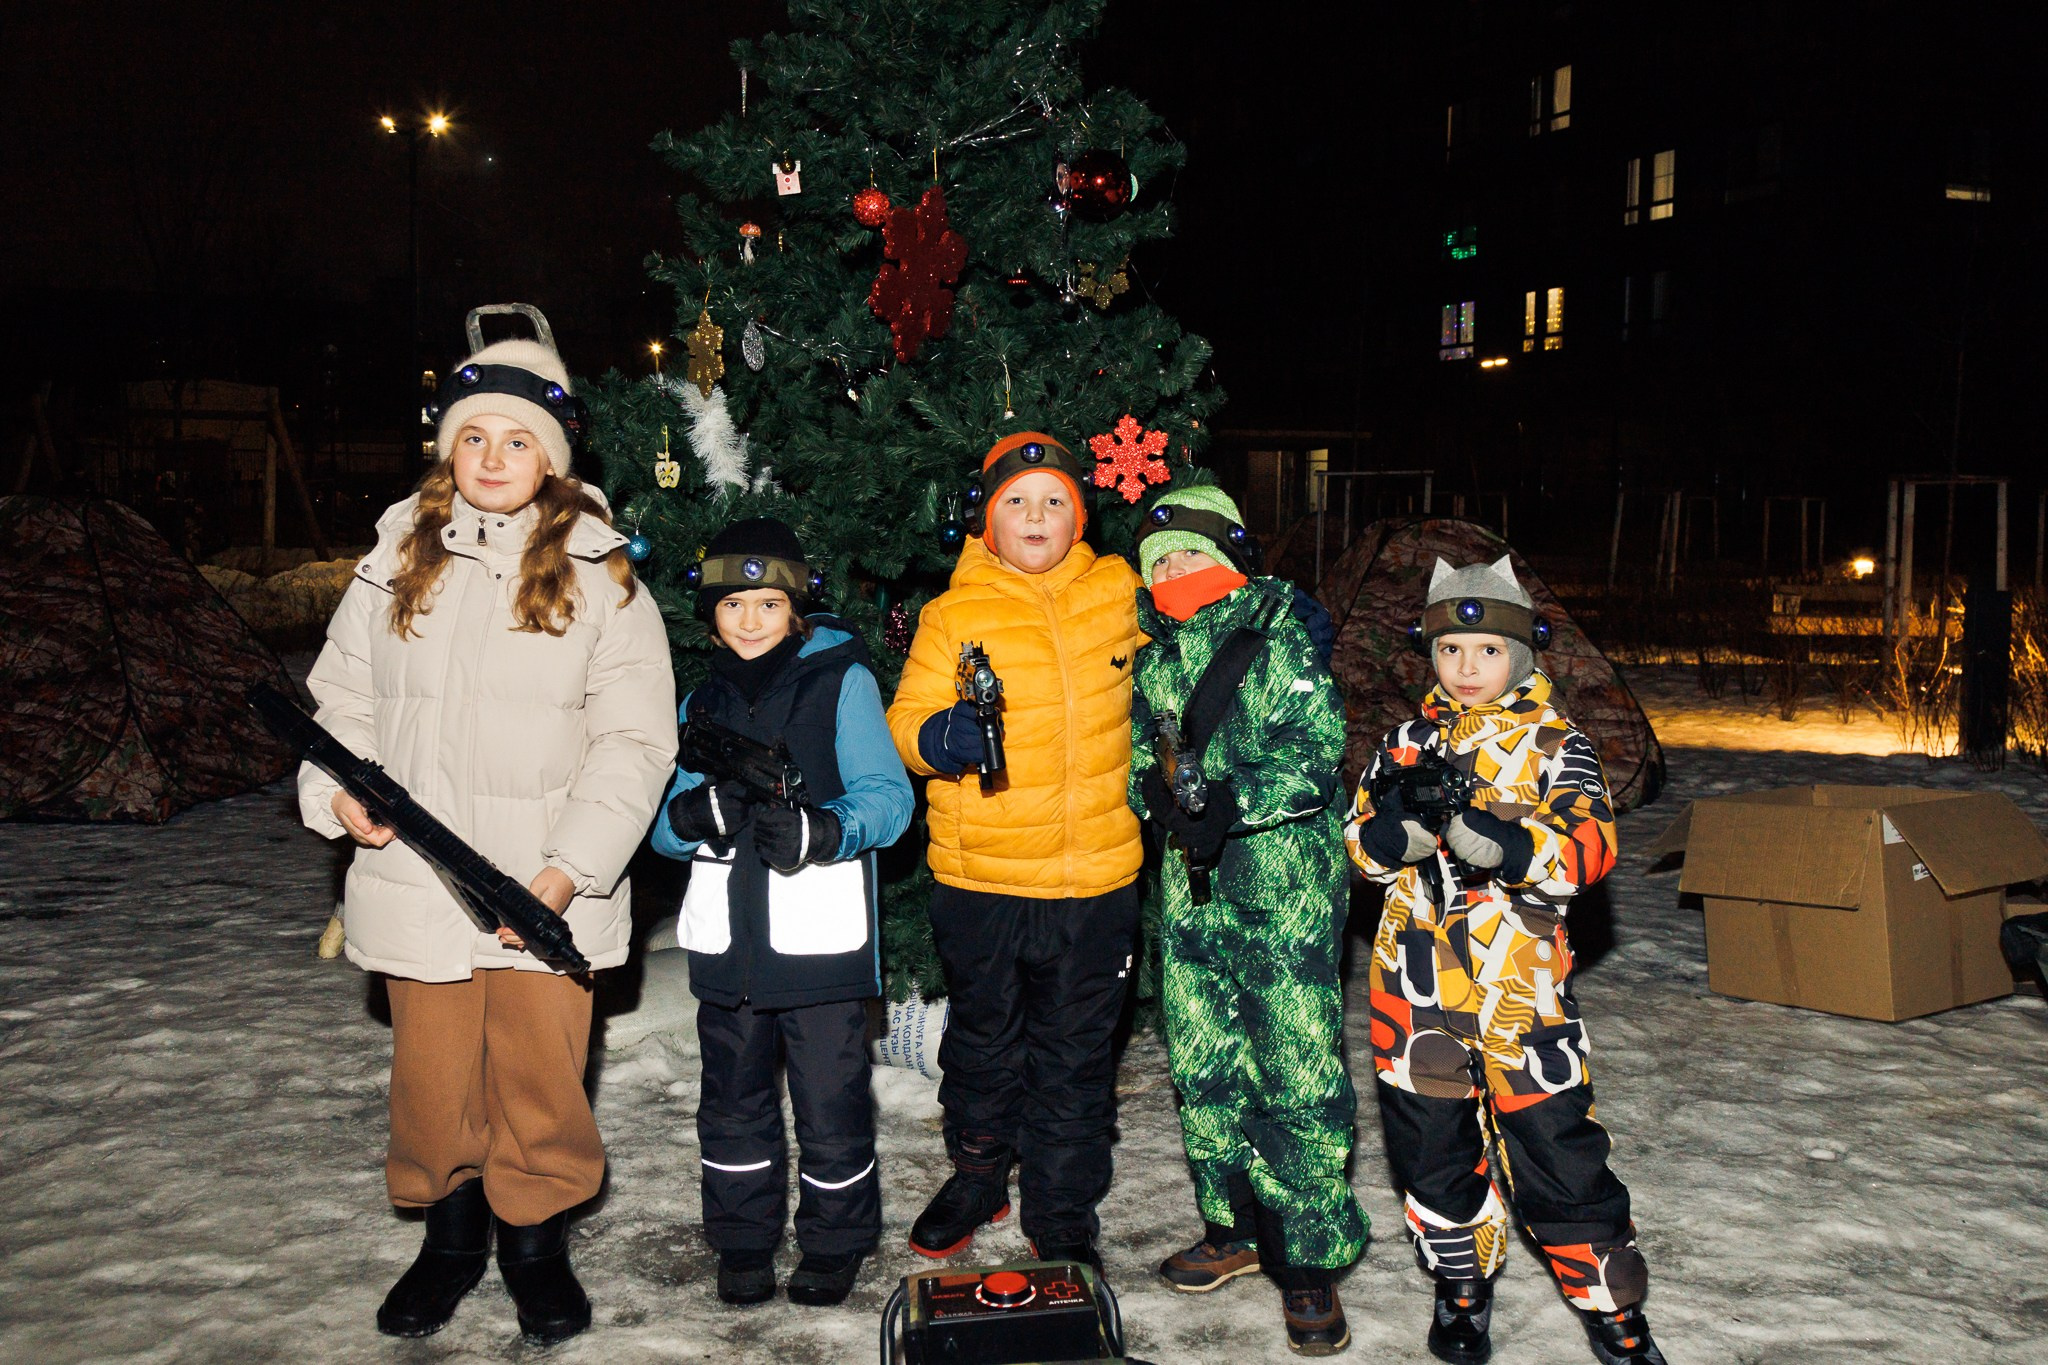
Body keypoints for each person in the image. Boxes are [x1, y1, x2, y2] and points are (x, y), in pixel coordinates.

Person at [296, 331, 676, 1345]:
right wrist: (336, 795)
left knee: (539, 1079)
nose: (496, 457)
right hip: (414, 879)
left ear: (552, 457)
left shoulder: (602, 576)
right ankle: (451, 1241)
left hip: (541, 887)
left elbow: (634, 739)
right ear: (447, 452)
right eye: (475, 438)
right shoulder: (393, 562)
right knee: (432, 1082)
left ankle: (536, 1245)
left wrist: (567, 872)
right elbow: (340, 702)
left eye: (520, 438)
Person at [1346, 556, 1665, 1365]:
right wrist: (1392, 837)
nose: (1467, 667)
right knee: (1432, 1156)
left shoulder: (1559, 744)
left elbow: (1591, 845)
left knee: (1561, 1155)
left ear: (1520, 655)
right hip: (1413, 994)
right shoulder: (1403, 742)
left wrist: (1511, 843)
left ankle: (1613, 1312)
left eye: (1487, 650)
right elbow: (1357, 841)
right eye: (1451, 650)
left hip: (1520, 992)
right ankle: (1461, 1288)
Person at [883, 432, 1145, 1272]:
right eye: (1018, 502)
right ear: (987, 520)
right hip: (983, 876)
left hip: (1096, 878)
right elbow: (902, 723)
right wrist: (936, 734)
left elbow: (1199, 640)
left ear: (1081, 514)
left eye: (1056, 500)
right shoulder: (953, 612)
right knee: (984, 1042)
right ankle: (979, 1173)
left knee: (1076, 1055)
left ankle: (1063, 1206)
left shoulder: (1121, 593)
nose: (1038, 516)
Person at [1127, 486, 1368, 1357]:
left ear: (1231, 556)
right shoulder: (1155, 663)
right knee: (1202, 1059)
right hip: (1191, 897)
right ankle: (1231, 1223)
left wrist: (1233, 800)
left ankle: (1305, 1260)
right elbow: (1136, 763)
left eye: (1191, 553)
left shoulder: (1279, 638)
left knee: (1294, 1066)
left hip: (1282, 890)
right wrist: (1156, 796)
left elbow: (1316, 752)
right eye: (1161, 561)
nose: (1176, 571)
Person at [650, 517, 912, 1308]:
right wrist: (697, 817)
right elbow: (661, 824)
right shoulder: (703, 699)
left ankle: (835, 1241)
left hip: (820, 946)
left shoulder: (843, 679)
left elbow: (890, 799)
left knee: (831, 1104)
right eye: (733, 606)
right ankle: (742, 1239)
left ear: (796, 606)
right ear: (711, 615)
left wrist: (825, 828)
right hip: (728, 949)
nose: (751, 620)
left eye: (768, 603)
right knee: (731, 1105)